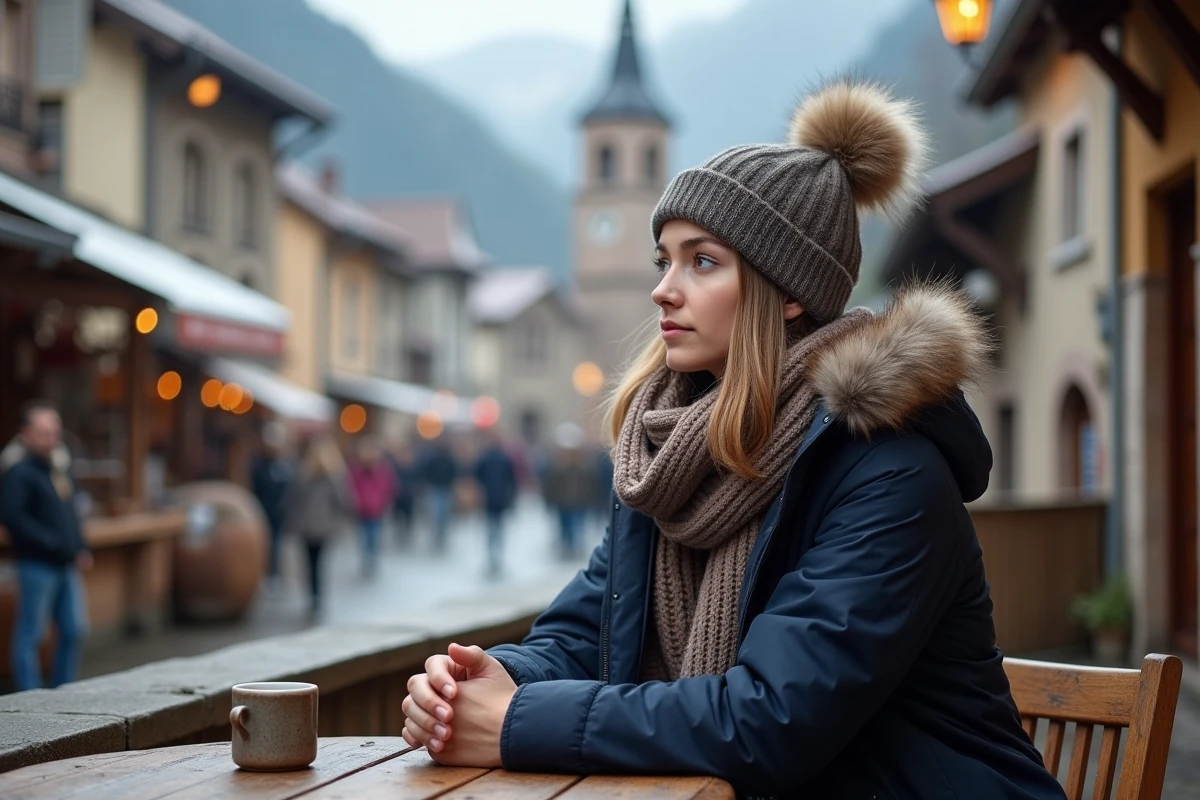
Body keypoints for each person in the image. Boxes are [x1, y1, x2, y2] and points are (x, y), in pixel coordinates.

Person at [399, 80, 1067, 798]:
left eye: (702, 261)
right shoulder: (666, 460)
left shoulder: (890, 470)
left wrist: (516, 720)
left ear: (787, 292)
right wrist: (488, 682)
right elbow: (588, 634)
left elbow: (770, 719)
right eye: (664, 260)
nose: (664, 288)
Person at [1, 401, 91, 690]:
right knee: (31, 634)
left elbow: (71, 512)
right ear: (25, 433)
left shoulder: (59, 468)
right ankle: (30, 696)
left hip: (66, 564)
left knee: (74, 629)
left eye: (54, 431)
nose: (50, 438)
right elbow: (13, 519)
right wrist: (51, 542)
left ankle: (63, 692)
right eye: (43, 432)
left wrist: (79, 546)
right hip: (36, 564)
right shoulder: (19, 472)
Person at [283, 436, 349, 619]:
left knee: (309, 564)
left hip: (307, 527)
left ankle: (313, 596)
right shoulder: (334, 476)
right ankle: (318, 596)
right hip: (324, 527)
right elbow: (343, 502)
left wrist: (292, 523)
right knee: (319, 564)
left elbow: (292, 502)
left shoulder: (303, 475)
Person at [250, 422, 293, 588]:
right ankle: (268, 573)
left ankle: (274, 573)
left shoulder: (286, 465)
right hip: (264, 510)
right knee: (267, 543)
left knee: (277, 544)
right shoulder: (260, 465)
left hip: (279, 513)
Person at [347, 437, 396, 578]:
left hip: (376, 511)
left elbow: (388, 488)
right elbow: (350, 488)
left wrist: (383, 503)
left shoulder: (383, 469)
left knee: (374, 536)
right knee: (363, 537)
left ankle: (372, 559)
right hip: (361, 511)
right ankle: (366, 560)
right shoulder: (355, 469)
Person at [472, 432, 518, 578]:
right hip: (500, 498)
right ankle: (495, 555)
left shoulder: (486, 458)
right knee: (498, 528)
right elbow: (512, 480)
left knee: (491, 528)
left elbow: (477, 475)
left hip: (490, 499)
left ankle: (492, 555)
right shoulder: (504, 459)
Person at [540, 443, 596, 560]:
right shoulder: (557, 469)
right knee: (565, 526)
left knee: (576, 525)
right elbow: (550, 486)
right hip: (563, 503)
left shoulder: (583, 469)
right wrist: (549, 500)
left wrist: (589, 499)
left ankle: (573, 546)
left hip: (578, 502)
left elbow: (590, 485)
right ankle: (567, 546)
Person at [418, 438, 458, 554]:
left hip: (445, 489)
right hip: (435, 489)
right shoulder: (433, 459)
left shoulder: (449, 459)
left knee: (443, 516)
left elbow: (454, 472)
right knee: (435, 515)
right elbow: (426, 472)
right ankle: (436, 537)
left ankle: (441, 537)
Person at [388, 440, 418, 549]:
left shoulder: (413, 466)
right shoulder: (395, 466)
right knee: (397, 517)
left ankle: (406, 534)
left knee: (408, 517)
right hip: (398, 496)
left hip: (409, 496)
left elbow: (417, 479)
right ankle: (399, 533)